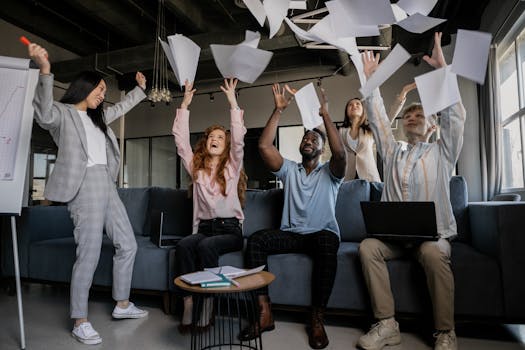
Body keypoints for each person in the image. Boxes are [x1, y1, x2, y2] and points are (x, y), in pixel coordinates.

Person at [28, 43, 149, 345]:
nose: (103, 94)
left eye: (105, 90)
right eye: (100, 88)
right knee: (89, 253)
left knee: (128, 244)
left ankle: (122, 304)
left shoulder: (99, 118)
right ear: (85, 86)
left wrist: (139, 90)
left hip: (107, 183)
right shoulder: (63, 114)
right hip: (84, 187)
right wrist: (45, 70)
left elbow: (119, 108)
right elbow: (42, 113)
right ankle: (79, 320)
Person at [356, 32, 465, 350]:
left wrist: (443, 70)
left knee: (432, 252)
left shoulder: (443, 153)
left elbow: (456, 117)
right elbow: (377, 120)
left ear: (432, 125)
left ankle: (445, 331)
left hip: (432, 239)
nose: (413, 117)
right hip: (395, 240)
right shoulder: (393, 152)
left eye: (420, 115)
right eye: (408, 115)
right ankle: (387, 324)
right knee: (367, 247)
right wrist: (371, 80)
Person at [239, 83, 346, 349]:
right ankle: (264, 313)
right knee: (255, 241)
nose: (308, 140)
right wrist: (278, 111)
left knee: (326, 241)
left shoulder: (331, 174)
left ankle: (317, 319)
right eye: (305, 138)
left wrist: (324, 117)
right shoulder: (289, 170)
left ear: (322, 149)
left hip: (320, 235)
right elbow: (264, 146)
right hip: (291, 235)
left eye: (314, 139)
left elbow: (341, 153)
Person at [172, 78, 246, 333]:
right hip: (204, 228)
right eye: (211, 137)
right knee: (183, 245)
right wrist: (185, 104)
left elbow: (239, 140)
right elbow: (181, 142)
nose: (215, 139)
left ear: (225, 146)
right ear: (206, 143)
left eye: (220, 137)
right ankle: (189, 302)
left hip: (229, 230)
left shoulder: (232, 166)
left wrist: (232, 101)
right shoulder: (197, 169)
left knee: (206, 246)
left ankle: (209, 304)